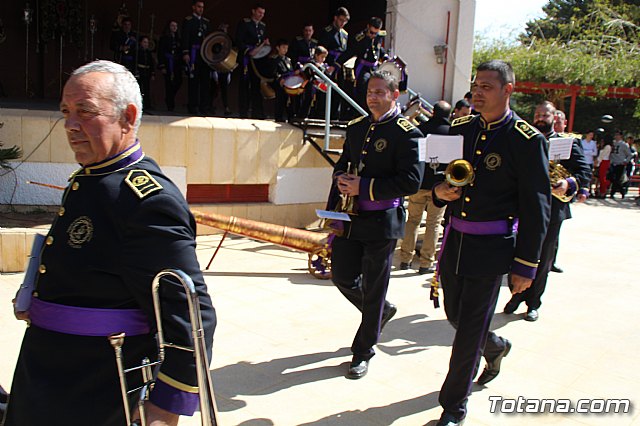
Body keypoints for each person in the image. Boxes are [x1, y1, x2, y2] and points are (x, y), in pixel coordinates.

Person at [5, 60, 216, 426]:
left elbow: (192, 314)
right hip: (48, 371)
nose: (70, 125)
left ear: (128, 117)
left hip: (96, 390)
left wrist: (166, 409)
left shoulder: (146, 199)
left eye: (85, 112)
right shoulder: (89, 179)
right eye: (66, 112)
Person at [431, 60, 550, 426]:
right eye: (475, 85)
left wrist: (525, 265)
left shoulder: (528, 140)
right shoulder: (461, 127)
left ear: (508, 91)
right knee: (455, 315)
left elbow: (537, 207)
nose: (478, 92)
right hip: (454, 241)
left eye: (486, 86)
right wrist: (439, 191)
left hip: (492, 247)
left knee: (467, 333)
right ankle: (496, 347)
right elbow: (437, 172)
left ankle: (453, 408)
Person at [328, 71, 423, 380]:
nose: (373, 96)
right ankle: (381, 310)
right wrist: (339, 181)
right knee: (342, 276)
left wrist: (364, 186)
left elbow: (411, 181)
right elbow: (343, 164)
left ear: (395, 95)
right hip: (351, 217)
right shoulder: (356, 127)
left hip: (383, 222)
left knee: (373, 286)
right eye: (370, 91)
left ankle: (363, 351)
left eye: (381, 92)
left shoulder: (409, 133)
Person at [504, 101, 591, 322]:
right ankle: (515, 296)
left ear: (554, 117)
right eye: (537, 114)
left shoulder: (567, 142)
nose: (541, 118)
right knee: (516, 254)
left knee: (543, 259)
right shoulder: (525, 138)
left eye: (545, 115)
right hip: (522, 206)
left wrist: (568, 183)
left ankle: (533, 303)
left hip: (552, 209)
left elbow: (583, 170)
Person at [399, 100, 451, 274]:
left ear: (433, 112)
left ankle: (405, 259)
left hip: (420, 184)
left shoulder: (422, 130)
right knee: (434, 224)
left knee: (413, 221)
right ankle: (426, 263)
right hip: (441, 186)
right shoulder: (452, 132)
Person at [336, 16, 387, 111]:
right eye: (371, 33)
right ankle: (362, 112)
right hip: (363, 67)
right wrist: (337, 64)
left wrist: (385, 57)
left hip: (375, 67)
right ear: (368, 27)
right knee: (364, 86)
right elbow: (349, 52)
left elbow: (378, 49)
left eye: (376, 33)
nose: (373, 35)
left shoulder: (379, 36)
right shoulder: (360, 38)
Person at [235, 3, 268, 119]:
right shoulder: (245, 23)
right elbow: (238, 40)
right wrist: (248, 50)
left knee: (256, 86)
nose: (261, 15)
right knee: (244, 86)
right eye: (259, 12)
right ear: (253, 11)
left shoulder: (263, 26)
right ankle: (243, 112)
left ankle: (256, 112)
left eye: (263, 13)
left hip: (257, 60)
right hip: (246, 58)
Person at [317, 7, 350, 120]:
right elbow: (321, 50)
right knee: (325, 92)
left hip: (339, 66)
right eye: (341, 20)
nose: (342, 23)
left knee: (339, 91)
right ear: (335, 18)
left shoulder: (345, 34)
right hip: (328, 64)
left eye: (345, 21)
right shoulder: (327, 31)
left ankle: (335, 116)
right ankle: (322, 116)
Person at [181, 0, 212, 115]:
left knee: (205, 82)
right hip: (193, 54)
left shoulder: (206, 22)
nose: (201, 9)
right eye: (199, 7)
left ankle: (204, 107)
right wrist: (185, 53)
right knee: (193, 82)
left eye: (202, 7)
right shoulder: (188, 21)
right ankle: (193, 106)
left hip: (204, 56)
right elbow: (185, 37)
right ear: (193, 7)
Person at [297, 46, 333, 119]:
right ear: (316, 55)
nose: (323, 59)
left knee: (322, 102)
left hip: (322, 86)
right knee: (307, 100)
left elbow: (327, 75)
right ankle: (303, 116)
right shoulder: (310, 63)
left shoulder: (324, 66)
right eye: (321, 57)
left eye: (324, 57)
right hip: (311, 85)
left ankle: (319, 117)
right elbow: (307, 74)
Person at [157, 20, 183, 112]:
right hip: (167, 62)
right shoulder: (164, 38)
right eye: (172, 25)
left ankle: (170, 97)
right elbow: (160, 52)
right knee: (168, 84)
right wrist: (162, 65)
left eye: (176, 26)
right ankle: (170, 104)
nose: (174, 27)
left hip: (176, 63)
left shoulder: (178, 38)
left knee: (179, 81)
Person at [268, 39, 295, 122]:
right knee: (280, 98)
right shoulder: (274, 59)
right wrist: (280, 79)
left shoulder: (288, 60)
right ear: (278, 48)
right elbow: (273, 73)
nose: (285, 50)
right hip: (279, 83)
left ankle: (291, 116)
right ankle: (279, 117)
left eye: (286, 48)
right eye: (283, 47)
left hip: (289, 83)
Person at [609, 129, 633, 198]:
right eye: (616, 135)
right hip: (612, 162)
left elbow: (629, 154)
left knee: (617, 178)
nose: (616, 136)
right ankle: (621, 190)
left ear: (621, 136)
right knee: (612, 178)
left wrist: (625, 161)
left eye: (618, 135)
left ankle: (613, 193)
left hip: (620, 163)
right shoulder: (613, 143)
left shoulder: (624, 144)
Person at [136, 35, 156, 110]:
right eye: (144, 42)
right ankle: (139, 104)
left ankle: (147, 105)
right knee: (139, 89)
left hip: (147, 72)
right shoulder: (138, 51)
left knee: (147, 89)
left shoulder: (149, 53)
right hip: (139, 71)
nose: (146, 44)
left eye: (147, 43)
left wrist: (153, 73)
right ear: (141, 43)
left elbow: (151, 64)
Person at [580, 130, 598, 195]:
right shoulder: (582, 142)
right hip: (583, 161)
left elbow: (595, 152)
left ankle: (588, 190)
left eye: (592, 135)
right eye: (590, 135)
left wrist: (587, 152)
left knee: (590, 176)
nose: (591, 136)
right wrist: (589, 152)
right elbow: (581, 152)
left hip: (590, 162)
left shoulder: (593, 143)